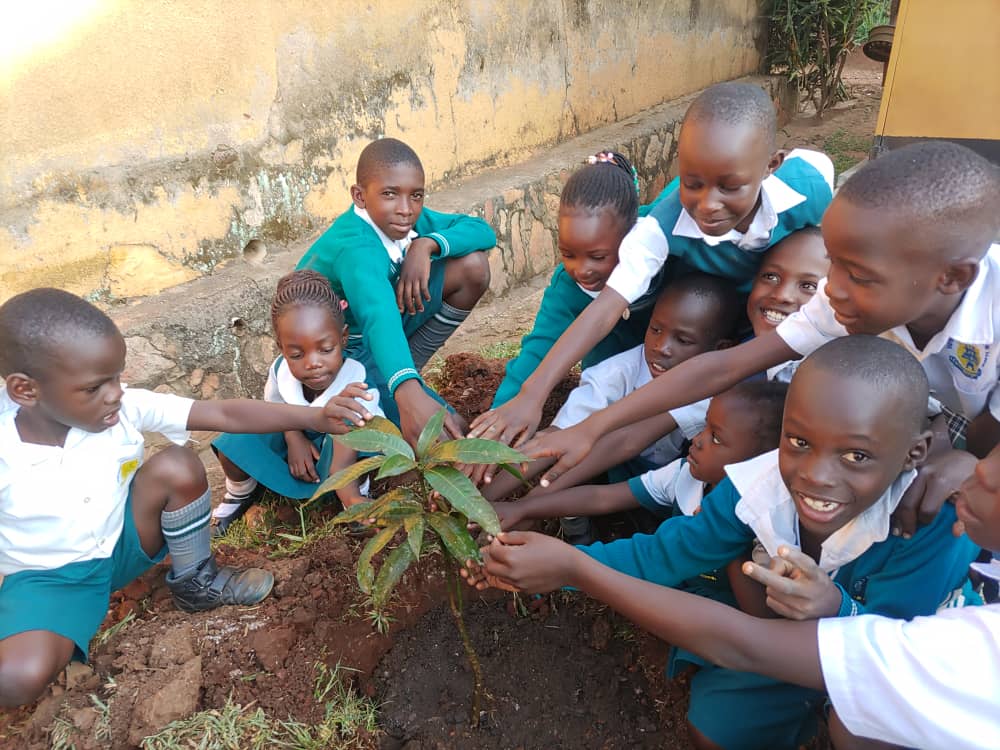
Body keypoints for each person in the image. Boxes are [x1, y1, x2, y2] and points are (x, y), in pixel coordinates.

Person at [467, 336, 982, 750]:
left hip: (891, 656)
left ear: (915, 453)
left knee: (860, 728)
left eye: (857, 457)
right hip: (790, 643)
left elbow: (897, 651)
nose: (817, 476)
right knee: (715, 730)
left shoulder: (936, 528)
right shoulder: (753, 486)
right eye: (798, 443)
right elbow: (665, 553)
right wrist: (558, 565)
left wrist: (837, 607)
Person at [526, 141, 1000, 538]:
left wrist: (970, 460)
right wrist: (589, 428)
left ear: (952, 279)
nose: (831, 289)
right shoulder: (853, 298)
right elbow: (722, 368)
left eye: (856, 274)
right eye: (834, 264)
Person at [0, 288, 375, 707]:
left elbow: (224, 414)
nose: (115, 394)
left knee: (177, 465)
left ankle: (197, 580)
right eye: (93, 388)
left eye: (117, 377)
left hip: (126, 542)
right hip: (51, 581)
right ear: (25, 390)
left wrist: (315, 417)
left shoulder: (122, 409)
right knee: (18, 678)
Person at [470, 81, 834, 447]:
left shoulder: (807, 192)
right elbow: (605, 309)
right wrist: (531, 396)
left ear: (771, 166)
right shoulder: (662, 228)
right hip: (699, 349)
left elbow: (820, 174)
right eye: (692, 183)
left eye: (730, 186)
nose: (708, 205)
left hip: (762, 330)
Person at [482, 273, 743, 540]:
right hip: (617, 472)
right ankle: (574, 526)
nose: (662, 347)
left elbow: (627, 441)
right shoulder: (618, 371)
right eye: (655, 330)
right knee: (572, 452)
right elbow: (556, 438)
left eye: (683, 340)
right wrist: (481, 498)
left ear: (721, 349)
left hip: (680, 481)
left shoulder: (716, 392)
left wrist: (526, 507)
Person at [297, 137, 495, 445]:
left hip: (384, 329)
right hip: (341, 351)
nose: (406, 210)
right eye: (390, 194)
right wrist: (406, 389)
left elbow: (482, 230)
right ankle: (398, 377)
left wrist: (426, 244)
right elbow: (378, 315)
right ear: (359, 196)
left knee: (473, 266)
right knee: (440, 432)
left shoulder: (407, 219)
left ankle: (405, 366)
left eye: (416, 196)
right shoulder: (356, 247)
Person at [491, 151, 675, 408]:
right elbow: (535, 355)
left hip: (675, 377)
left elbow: (681, 190)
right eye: (568, 254)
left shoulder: (668, 243)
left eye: (597, 256)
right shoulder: (566, 289)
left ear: (632, 235)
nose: (581, 270)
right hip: (606, 386)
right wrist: (504, 413)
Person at [210, 270, 384, 534]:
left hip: (341, 459)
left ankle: (352, 498)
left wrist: (345, 486)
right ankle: (240, 492)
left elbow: (355, 440)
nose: (313, 363)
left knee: (350, 429)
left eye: (326, 349)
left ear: (343, 339)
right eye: (296, 354)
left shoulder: (357, 383)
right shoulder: (281, 371)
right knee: (234, 438)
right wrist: (294, 439)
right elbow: (275, 410)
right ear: (281, 348)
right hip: (301, 446)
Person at [491, 381, 787, 533]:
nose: (696, 441)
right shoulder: (682, 475)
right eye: (704, 427)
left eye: (716, 438)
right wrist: (522, 509)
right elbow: (601, 498)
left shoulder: (763, 522)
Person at [743, 226, 829, 383]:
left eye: (808, 286)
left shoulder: (841, 375)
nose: (782, 296)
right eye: (771, 276)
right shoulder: (735, 359)